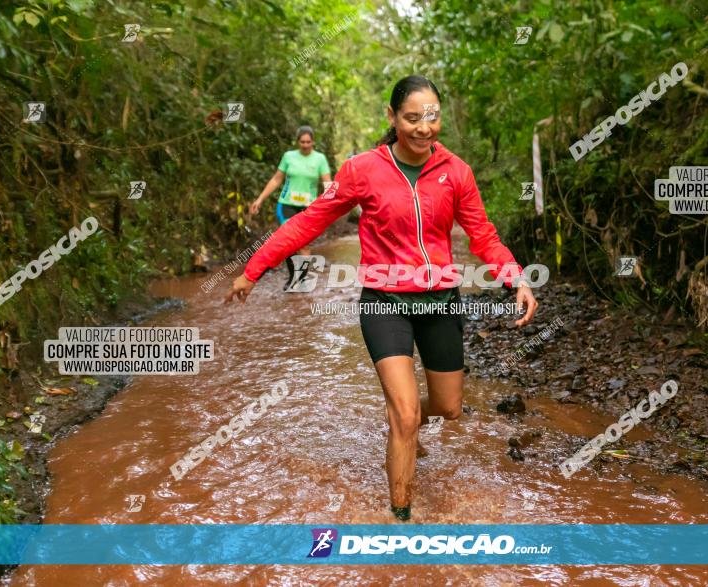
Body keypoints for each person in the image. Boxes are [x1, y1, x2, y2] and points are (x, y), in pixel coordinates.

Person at [226, 75, 538, 521]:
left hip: (440, 302)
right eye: (412, 118)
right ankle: (401, 518)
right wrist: (253, 270)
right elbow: (307, 223)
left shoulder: (457, 172)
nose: (424, 127)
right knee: (406, 417)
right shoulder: (362, 170)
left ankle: (405, 415)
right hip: (384, 303)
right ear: (392, 118)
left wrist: (516, 280)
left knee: (448, 408)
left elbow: (482, 234)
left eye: (432, 117)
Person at [249, 126, 332, 289]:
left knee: (304, 245)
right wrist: (260, 199)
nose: (306, 145)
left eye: (308, 142)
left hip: (308, 208)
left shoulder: (320, 159)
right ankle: (294, 278)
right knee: (289, 243)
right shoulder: (289, 157)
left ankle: (300, 280)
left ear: (313, 142)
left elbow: (328, 183)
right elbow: (276, 179)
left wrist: (330, 204)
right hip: (286, 205)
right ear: (297, 142)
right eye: (302, 142)